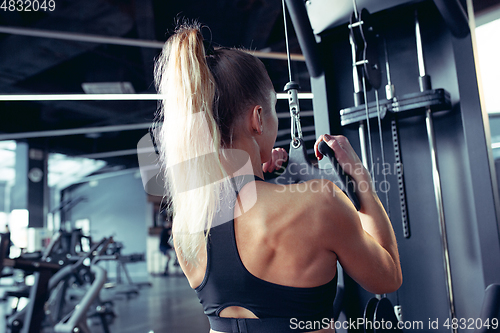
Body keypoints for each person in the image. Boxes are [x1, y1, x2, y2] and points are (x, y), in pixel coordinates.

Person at [154, 21, 402, 333]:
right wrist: (359, 176)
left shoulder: (185, 225)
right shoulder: (321, 202)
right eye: (273, 108)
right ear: (257, 119)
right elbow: (388, 277)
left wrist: (258, 178)